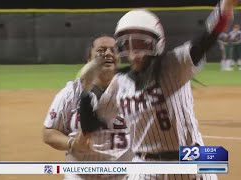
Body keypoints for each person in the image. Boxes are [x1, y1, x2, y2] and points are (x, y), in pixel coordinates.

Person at [78, 0, 237, 179]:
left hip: (190, 160)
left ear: (157, 44)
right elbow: (90, 126)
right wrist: (85, 90)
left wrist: (223, 9)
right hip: (145, 166)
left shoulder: (174, 65)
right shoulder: (120, 83)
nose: (133, 52)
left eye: (141, 43)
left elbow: (205, 40)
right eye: (127, 44)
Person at [42, 34, 131, 180]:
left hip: (123, 175)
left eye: (113, 50)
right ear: (89, 60)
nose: (108, 54)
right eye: (101, 51)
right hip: (80, 174)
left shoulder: (133, 91)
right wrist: (72, 144)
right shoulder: (71, 92)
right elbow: (48, 133)